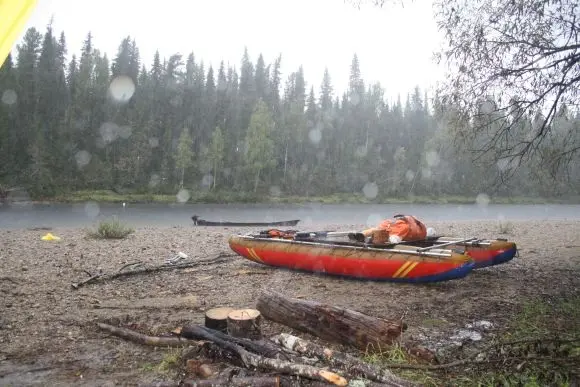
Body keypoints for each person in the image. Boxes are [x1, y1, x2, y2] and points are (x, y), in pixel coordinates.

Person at [361, 214, 428, 244]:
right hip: (389, 233)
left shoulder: (404, 227)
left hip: (390, 236)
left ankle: (364, 237)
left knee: (375, 230)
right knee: (375, 230)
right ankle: (361, 235)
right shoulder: (411, 225)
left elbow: (395, 239)